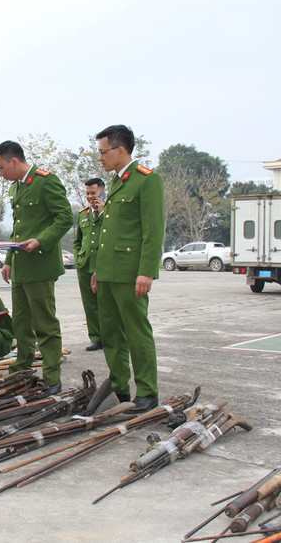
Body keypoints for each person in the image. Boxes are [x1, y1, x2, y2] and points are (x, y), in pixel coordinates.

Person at [90, 125, 165, 414]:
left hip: (130, 273)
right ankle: (120, 388)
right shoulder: (118, 183)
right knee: (110, 334)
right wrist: (99, 270)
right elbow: (110, 232)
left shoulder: (146, 180)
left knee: (136, 332)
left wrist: (146, 271)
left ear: (121, 150)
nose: (100, 158)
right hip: (108, 273)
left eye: (103, 151)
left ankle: (147, 392)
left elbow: (153, 230)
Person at [0, 140, 72, 393]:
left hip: (40, 265)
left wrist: (40, 241)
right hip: (21, 266)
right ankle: (22, 368)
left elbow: (65, 217)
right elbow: (19, 229)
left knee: (44, 324)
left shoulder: (45, 181)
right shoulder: (17, 187)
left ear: (14, 161)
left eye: (1, 167)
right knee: (22, 324)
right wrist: (9, 261)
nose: (0, 173)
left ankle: (52, 377)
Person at [74, 178, 106, 351]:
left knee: (105, 303)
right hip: (85, 264)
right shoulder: (82, 214)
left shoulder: (110, 211)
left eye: (93, 193)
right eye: (87, 193)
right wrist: (78, 257)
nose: (90, 196)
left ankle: (110, 337)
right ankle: (96, 337)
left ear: (102, 192)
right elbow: (77, 240)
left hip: (103, 264)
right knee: (90, 304)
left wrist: (102, 212)